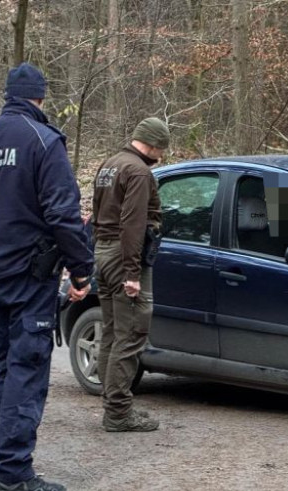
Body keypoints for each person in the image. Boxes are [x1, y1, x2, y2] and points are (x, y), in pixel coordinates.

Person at [0, 63, 93, 491]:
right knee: (26, 373)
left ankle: (1, 467)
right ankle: (13, 473)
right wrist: (82, 267)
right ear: (41, 99)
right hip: (31, 279)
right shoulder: (44, 143)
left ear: (7, 96)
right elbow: (63, 215)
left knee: (1, 371)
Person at [91, 117, 170, 432]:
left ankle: (112, 405)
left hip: (103, 252)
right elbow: (133, 224)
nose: (161, 157)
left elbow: (97, 215)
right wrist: (132, 273)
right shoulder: (138, 171)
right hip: (123, 257)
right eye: (160, 150)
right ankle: (119, 413)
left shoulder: (110, 165)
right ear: (151, 144)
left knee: (111, 331)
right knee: (132, 333)